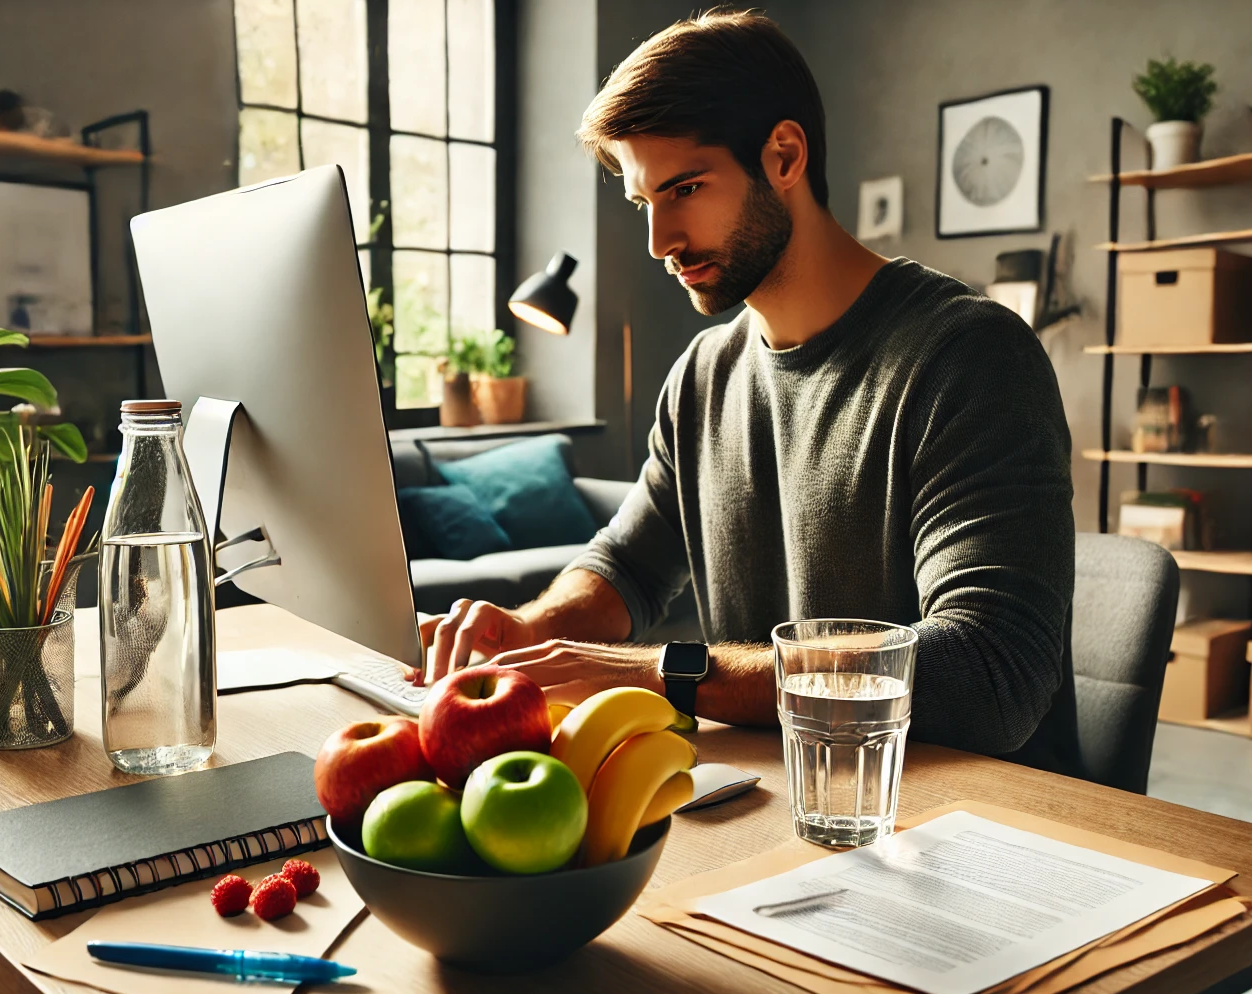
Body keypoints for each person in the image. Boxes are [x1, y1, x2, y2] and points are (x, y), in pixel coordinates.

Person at [421, 9, 1079, 772]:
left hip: (973, 828)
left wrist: (668, 674)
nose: (659, 241)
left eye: (687, 188)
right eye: (645, 202)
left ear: (785, 156)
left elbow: (990, 677)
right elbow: (628, 566)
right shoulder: (703, 376)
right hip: (781, 799)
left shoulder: (969, 356)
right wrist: (533, 629)